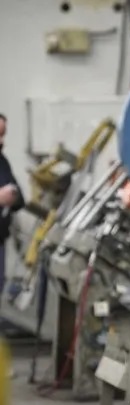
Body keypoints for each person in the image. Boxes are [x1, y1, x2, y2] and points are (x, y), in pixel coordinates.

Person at [0, 114, 25, 300]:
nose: (2, 141)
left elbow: (19, 199)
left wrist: (13, 196)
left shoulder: (3, 162)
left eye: (3, 135)